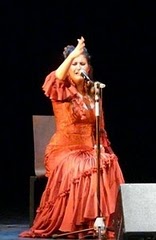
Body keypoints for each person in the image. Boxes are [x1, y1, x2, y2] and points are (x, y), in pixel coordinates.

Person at [20, 36, 125, 239]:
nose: (78, 67)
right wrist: (74, 53)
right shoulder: (61, 89)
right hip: (64, 151)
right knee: (81, 165)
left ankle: (100, 222)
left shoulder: (93, 93)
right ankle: (77, 223)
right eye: (74, 64)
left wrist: (102, 147)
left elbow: (99, 128)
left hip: (89, 148)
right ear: (68, 67)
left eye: (82, 63)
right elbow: (56, 77)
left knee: (109, 162)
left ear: (89, 67)